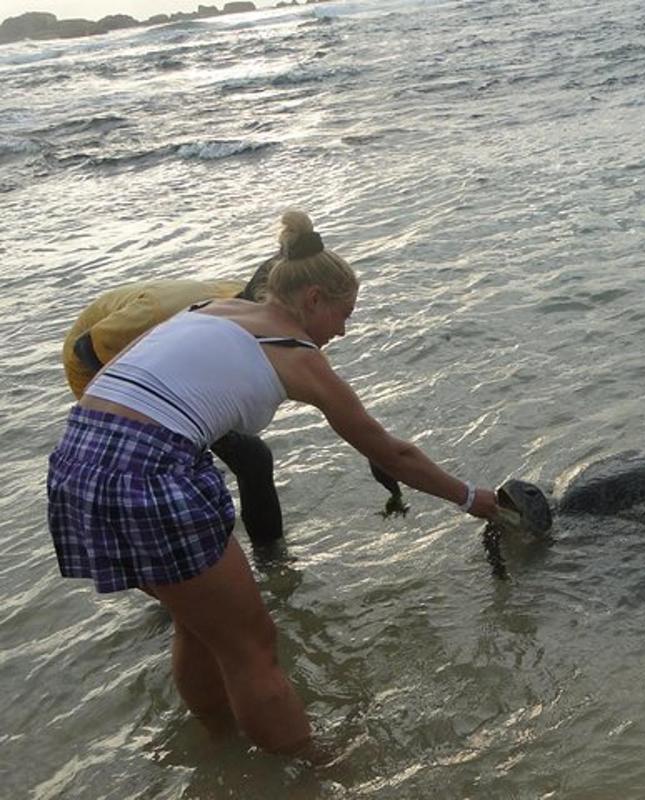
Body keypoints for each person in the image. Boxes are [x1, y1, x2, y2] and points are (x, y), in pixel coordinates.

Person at [46, 210, 498, 759]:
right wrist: (474, 499)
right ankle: (316, 770)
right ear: (312, 299)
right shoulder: (298, 359)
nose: (344, 330)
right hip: (150, 471)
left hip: (77, 459)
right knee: (253, 647)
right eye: (344, 313)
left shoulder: (212, 307)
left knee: (198, 623)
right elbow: (393, 453)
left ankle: (221, 747)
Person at [60, 261, 292, 546]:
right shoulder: (162, 311)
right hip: (98, 369)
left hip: (162, 361)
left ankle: (270, 557)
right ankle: (236, 558)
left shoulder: (243, 301)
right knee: (244, 457)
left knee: (252, 459)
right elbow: (84, 348)